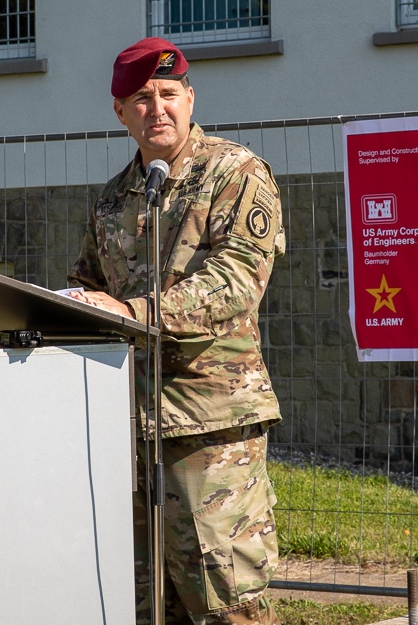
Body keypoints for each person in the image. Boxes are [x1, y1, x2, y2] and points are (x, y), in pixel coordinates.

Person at [67, 37, 284, 625]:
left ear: (190, 98)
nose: (155, 109)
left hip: (210, 428)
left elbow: (235, 281)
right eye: (140, 98)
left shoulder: (234, 173)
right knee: (142, 603)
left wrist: (133, 313)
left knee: (225, 604)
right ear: (119, 112)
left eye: (168, 94)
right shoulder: (114, 199)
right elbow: (85, 284)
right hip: (128, 430)